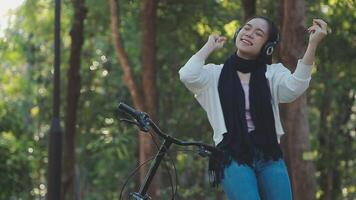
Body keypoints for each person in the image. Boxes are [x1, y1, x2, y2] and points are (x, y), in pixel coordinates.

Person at [178, 16, 327, 200]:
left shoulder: (272, 73)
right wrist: (209, 46)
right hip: (231, 155)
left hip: (269, 154)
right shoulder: (214, 74)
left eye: (259, 33)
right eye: (246, 28)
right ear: (237, 33)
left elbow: (296, 86)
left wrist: (312, 44)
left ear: (267, 46)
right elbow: (187, 75)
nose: (249, 34)